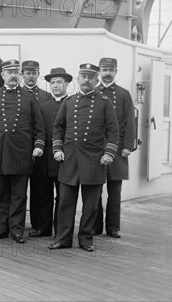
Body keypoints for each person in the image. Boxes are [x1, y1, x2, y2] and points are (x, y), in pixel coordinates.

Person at [49, 63, 119, 252]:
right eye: (83, 77)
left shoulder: (105, 102)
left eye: (90, 77)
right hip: (70, 159)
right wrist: (57, 149)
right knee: (65, 202)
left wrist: (109, 153)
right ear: (78, 79)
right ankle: (63, 238)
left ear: (96, 80)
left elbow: (113, 130)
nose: (86, 80)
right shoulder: (69, 101)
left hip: (94, 160)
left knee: (90, 206)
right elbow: (58, 127)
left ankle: (86, 238)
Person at [0, 59, 45, 244]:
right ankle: (1, 228)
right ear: (2, 75)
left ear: (20, 75)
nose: (13, 75)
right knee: (2, 194)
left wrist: (38, 145)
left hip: (22, 152)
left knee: (19, 194)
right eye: (10, 72)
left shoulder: (29, 97)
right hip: (0, 151)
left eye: (16, 72)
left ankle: (17, 230)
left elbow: (38, 126)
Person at [94, 57, 136, 239]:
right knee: (95, 190)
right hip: (95, 149)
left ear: (116, 71)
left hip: (118, 150)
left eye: (111, 69)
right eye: (104, 69)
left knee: (115, 192)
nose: (107, 73)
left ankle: (113, 227)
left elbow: (130, 121)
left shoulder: (123, 94)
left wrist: (127, 146)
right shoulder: (93, 92)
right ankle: (95, 226)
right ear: (99, 72)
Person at [29, 67, 72, 238]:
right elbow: (36, 130)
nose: (56, 85)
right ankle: (43, 227)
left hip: (63, 158)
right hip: (44, 159)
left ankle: (60, 230)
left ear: (67, 84)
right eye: (53, 82)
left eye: (59, 82)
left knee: (62, 197)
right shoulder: (42, 106)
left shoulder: (71, 104)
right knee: (43, 195)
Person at [21, 59, 52, 230]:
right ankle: (18, 223)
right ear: (22, 75)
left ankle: (39, 224)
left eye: (34, 73)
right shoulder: (17, 94)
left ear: (38, 75)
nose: (31, 76)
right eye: (27, 73)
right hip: (21, 148)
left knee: (40, 189)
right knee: (18, 189)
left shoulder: (45, 96)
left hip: (40, 149)